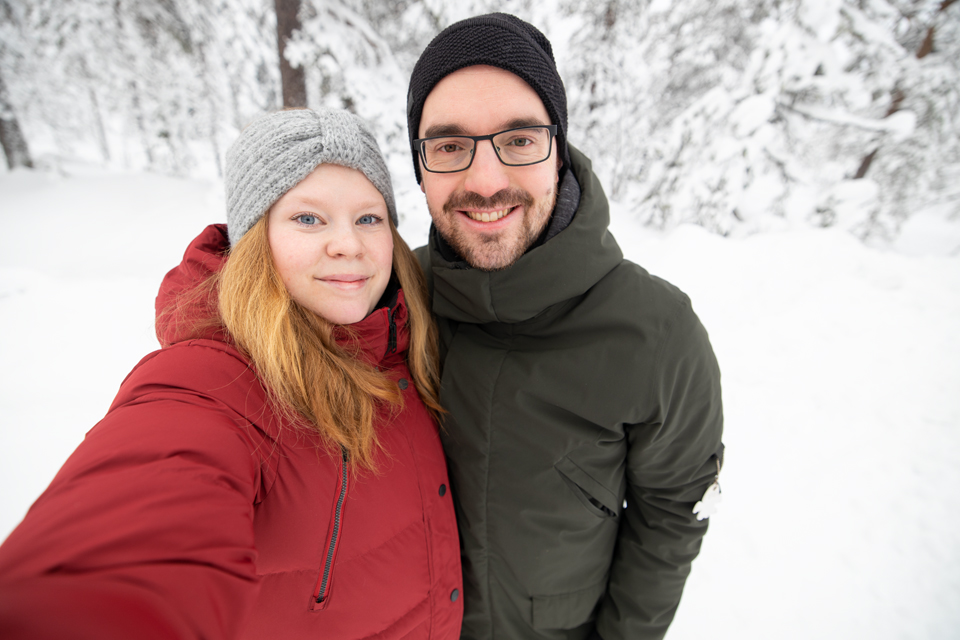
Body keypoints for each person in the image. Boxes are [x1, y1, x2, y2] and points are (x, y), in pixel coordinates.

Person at [0, 108, 463, 640]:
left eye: (368, 218)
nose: (349, 244)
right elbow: (145, 506)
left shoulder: (409, 339)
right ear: (253, 241)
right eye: (307, 218)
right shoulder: (216, 379)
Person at [406, 13, 725, 640]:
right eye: (449, 146)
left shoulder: (656, 333)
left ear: (559, 149)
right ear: (419, 168)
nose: (486, 181)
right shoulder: (391, 301)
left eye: (519, 140)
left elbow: (671, 515)